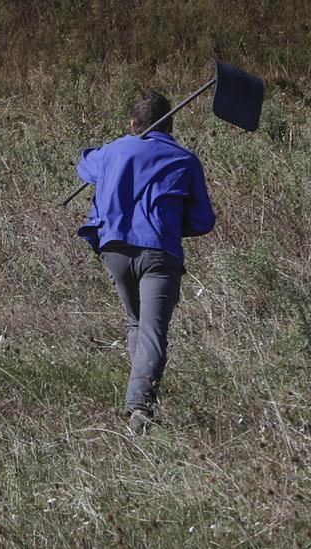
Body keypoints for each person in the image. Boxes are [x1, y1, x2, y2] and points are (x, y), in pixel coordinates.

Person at [75, 90, 217, 433]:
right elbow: (203, 221)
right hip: (159, 253)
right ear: (170, 123)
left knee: (137, 323)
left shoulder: (112, 152)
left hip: (115, 251)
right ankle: (139, 409)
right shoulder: (184, 160)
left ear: (133, 123)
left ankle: (140, 398)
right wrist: (168, 224)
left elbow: (84, 165)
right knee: (152, 329)